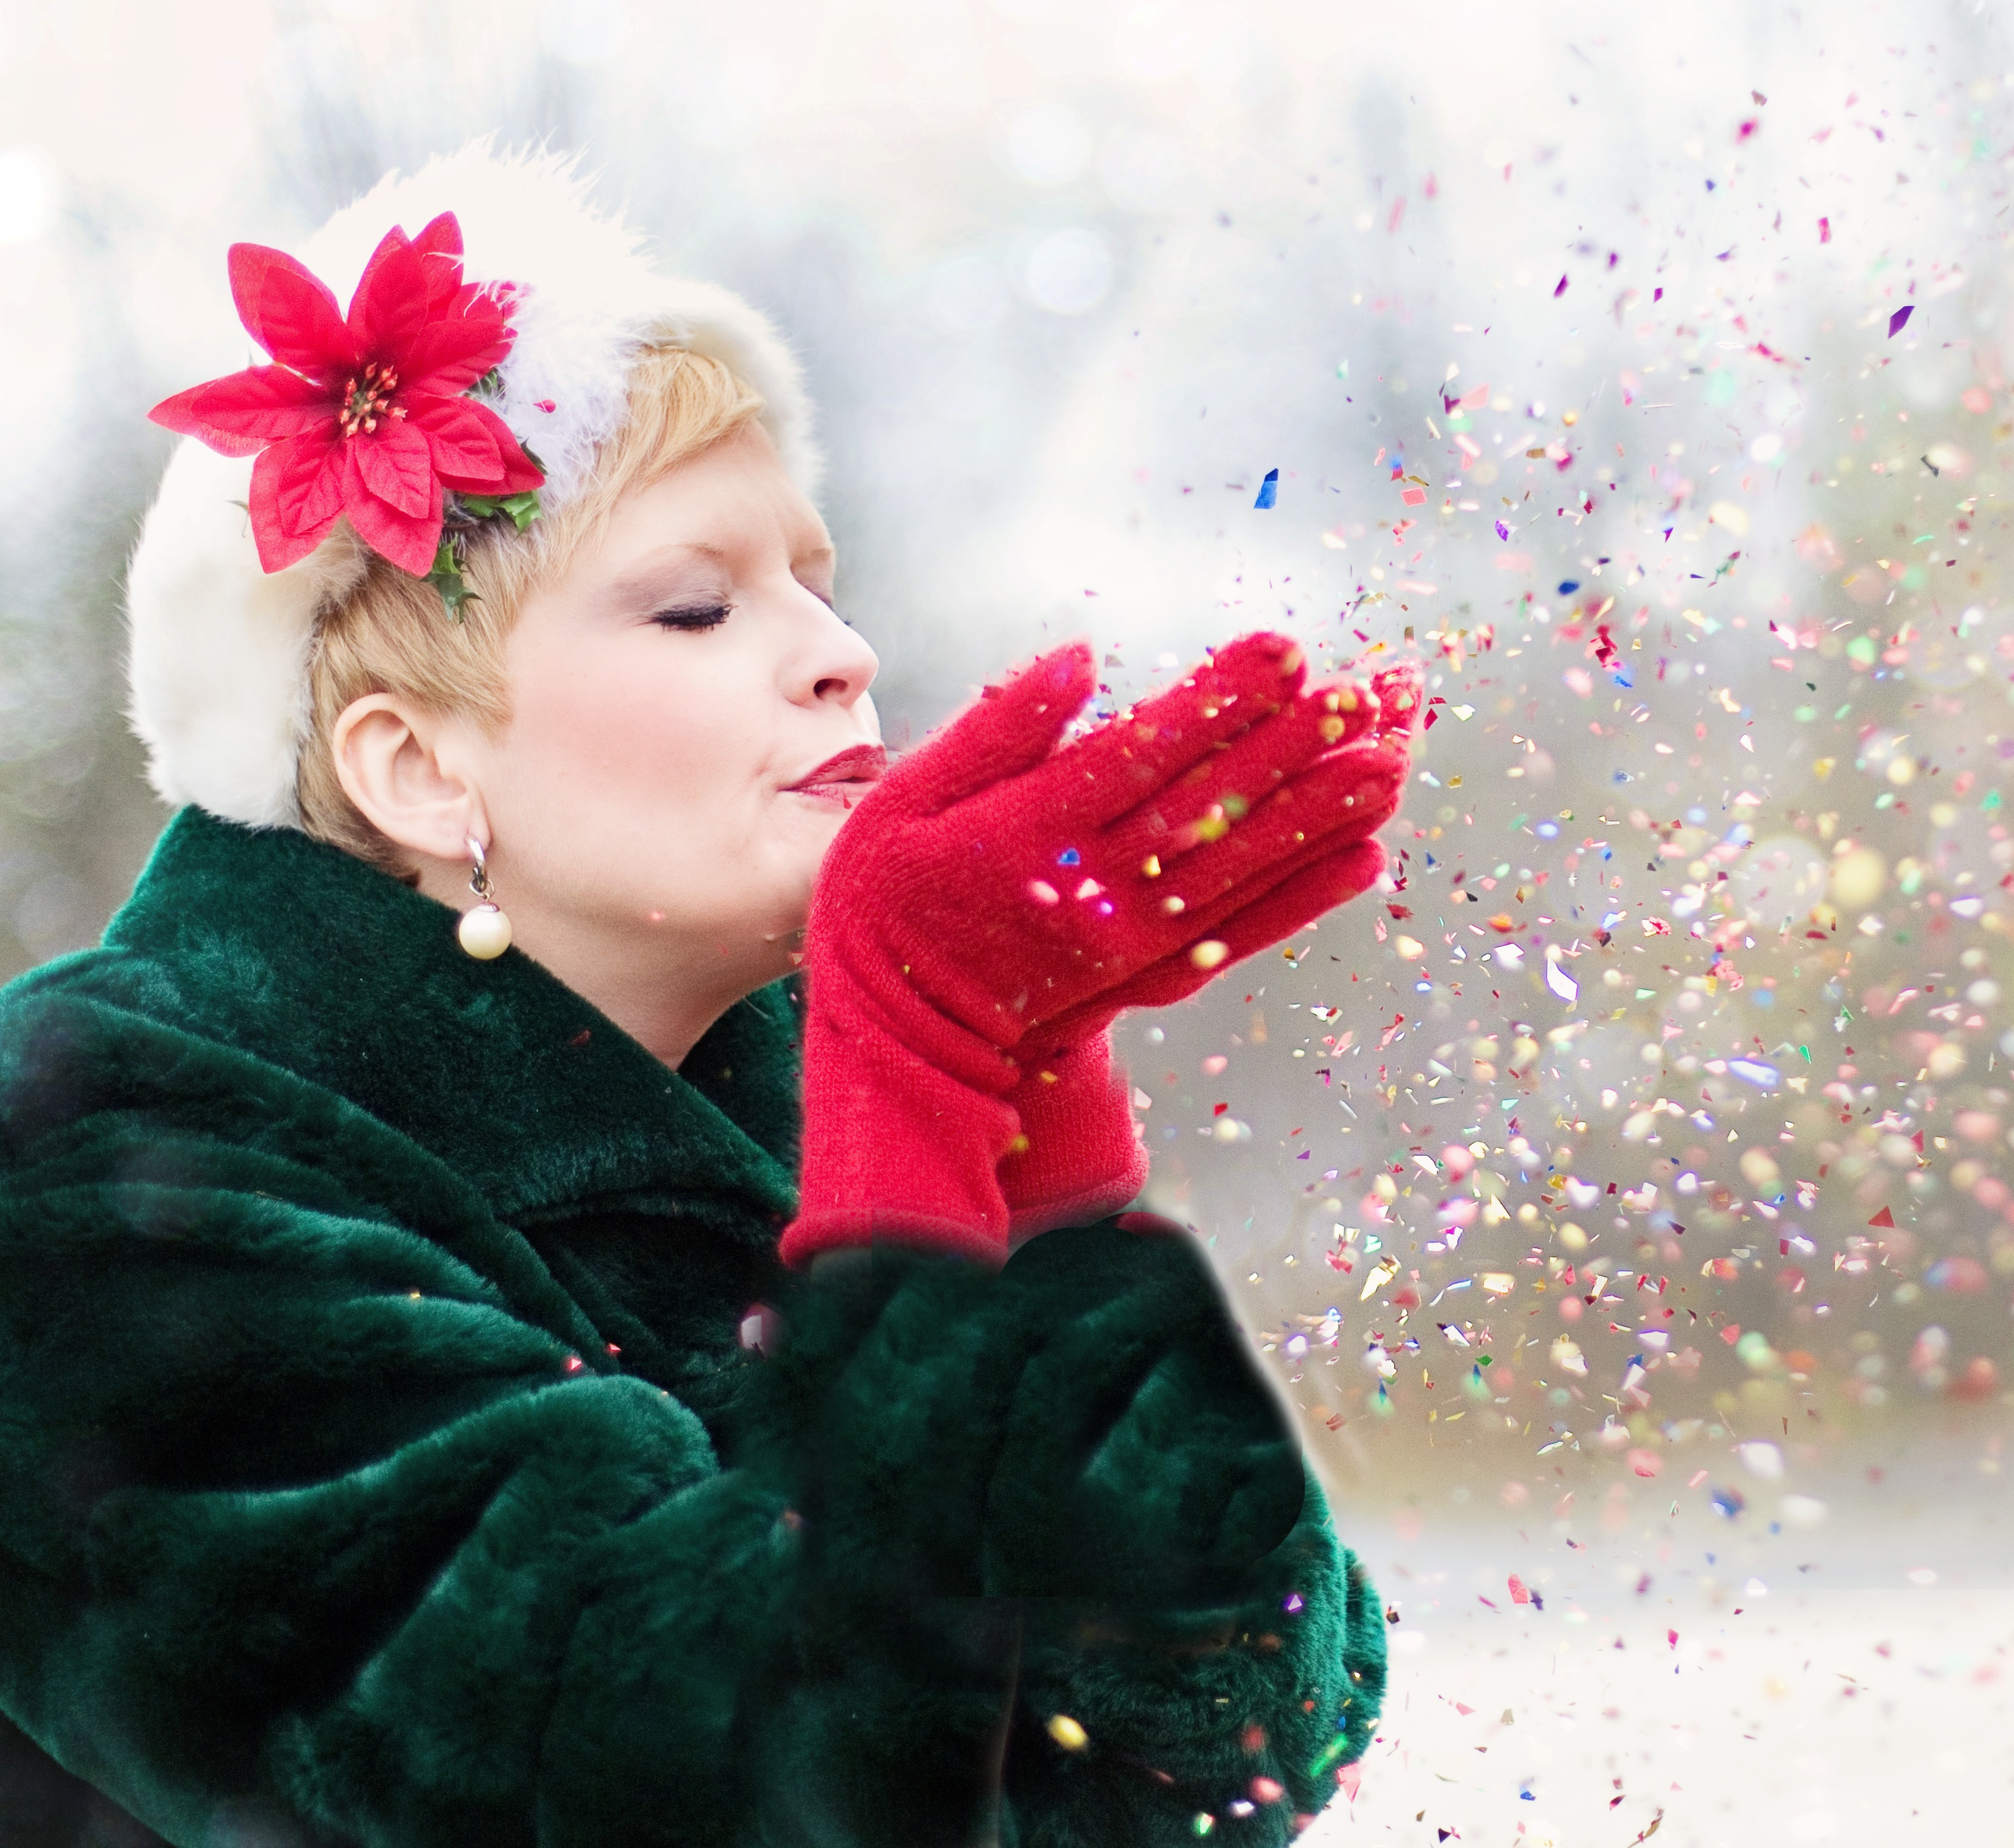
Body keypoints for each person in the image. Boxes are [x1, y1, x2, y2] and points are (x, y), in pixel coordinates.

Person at [0, 145, 1407, 1847]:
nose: (842, 650)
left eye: (815, 578)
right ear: (420, 767)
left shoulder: (814, 1118)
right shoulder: (84, 1164)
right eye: (694, 600)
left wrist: (1036, 1135)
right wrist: (924, 1098)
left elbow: (1228, 1755)